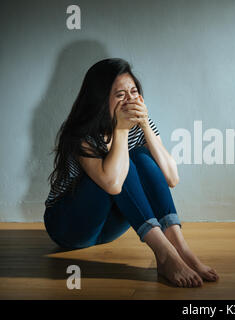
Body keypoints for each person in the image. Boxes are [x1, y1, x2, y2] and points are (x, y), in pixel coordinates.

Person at [44, 58, 218, 287]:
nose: (130, 100)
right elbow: (113, 184)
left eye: (133, 92)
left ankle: (180, 248)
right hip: (70, 227)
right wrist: (121, 131)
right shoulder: (81, 133)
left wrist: (145, 125)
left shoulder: (139, 124)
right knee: (118, 162)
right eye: (120, 95)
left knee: (141, 158)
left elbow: (171, 178)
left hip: (107, 230)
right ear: (100, 99)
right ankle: (165, 254)